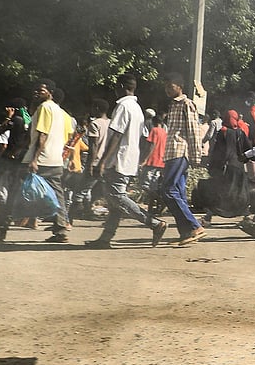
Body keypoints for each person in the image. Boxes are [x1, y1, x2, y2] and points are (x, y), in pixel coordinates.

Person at [0, 79, 72, 243]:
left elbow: (42, 135)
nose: (36, 93)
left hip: (39, 161)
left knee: (13, 193)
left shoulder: (44, 108)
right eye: (35, 90)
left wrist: (33, 159)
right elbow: (66, 136)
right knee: (58, 195)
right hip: (55, 160)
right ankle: (61, 229)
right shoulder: (62, 112)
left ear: (50, 92)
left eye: (40, 90)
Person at [88, 75, 168, 247]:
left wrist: (103, 161)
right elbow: (144, 138)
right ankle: (105, 238)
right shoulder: (137, 108)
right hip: (128, 159)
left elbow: (116, 134)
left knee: (117, 196)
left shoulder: (123, 106)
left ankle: (154, 223)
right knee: (113, 203)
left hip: (119, 160)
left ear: (122, 86)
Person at [160, 75, 207, 246]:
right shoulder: (172, 105)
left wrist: (196, 156)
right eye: (166, 86)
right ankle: (186, 232)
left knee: (168, 190)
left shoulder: (187, 104)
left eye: (170, 86)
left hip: (180, 152)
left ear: (179, 86)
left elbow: (194, 131)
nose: (167, 89)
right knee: (178, 192)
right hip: (171, 152)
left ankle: (195, 226)